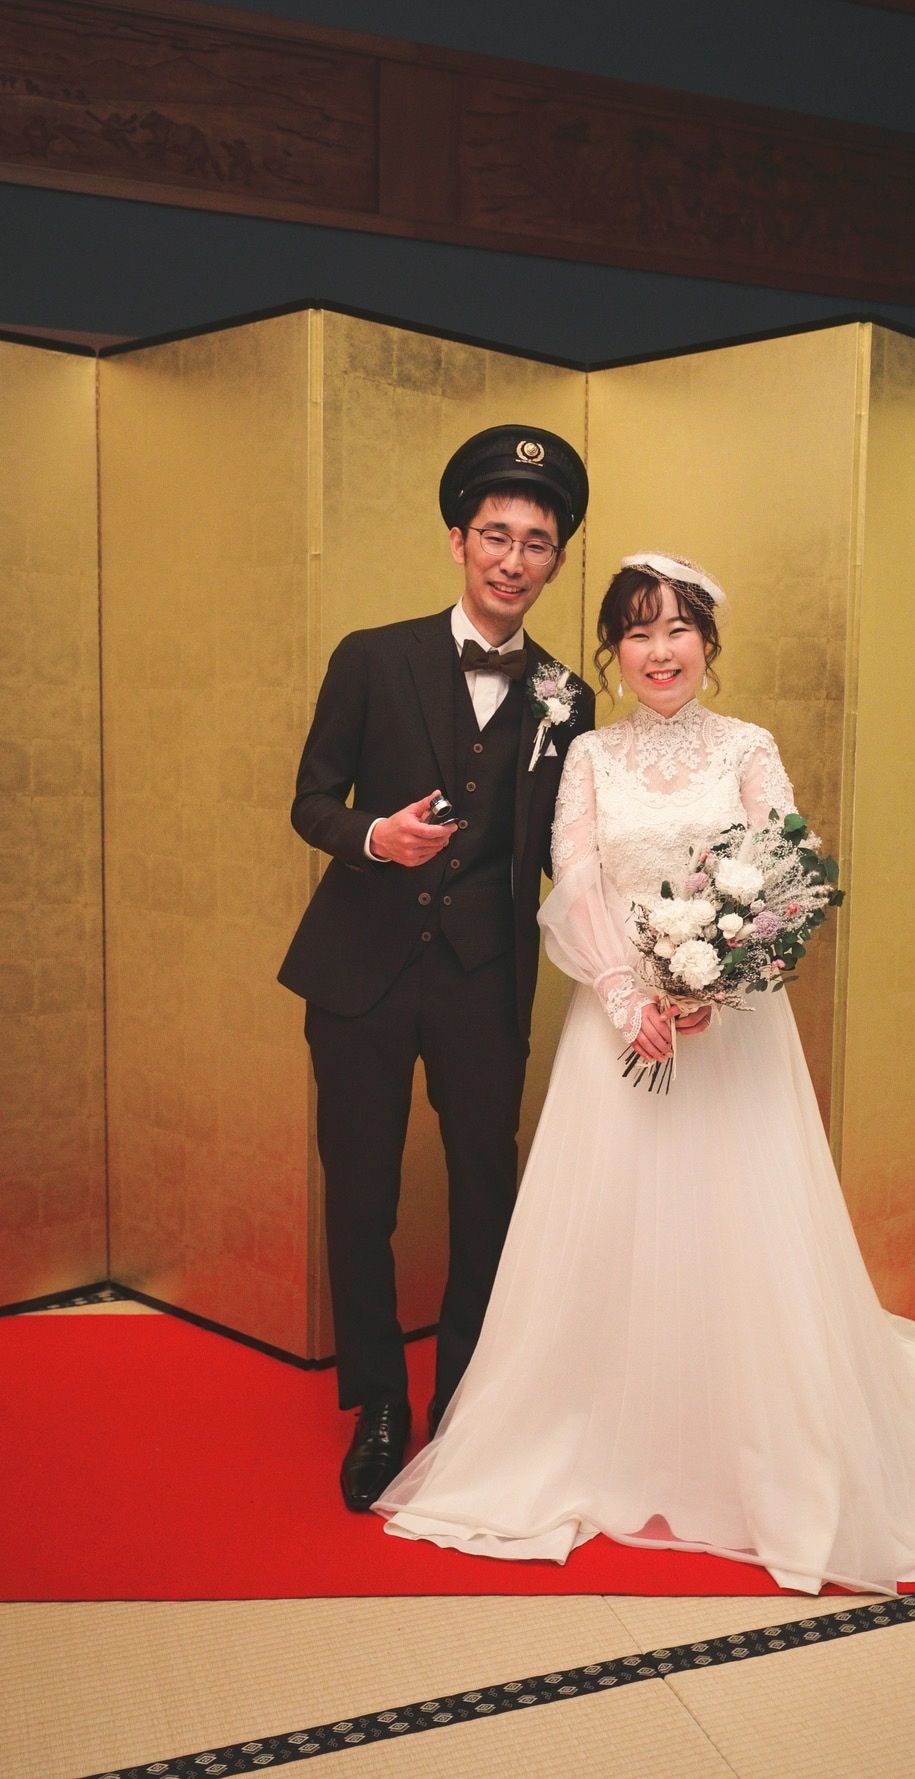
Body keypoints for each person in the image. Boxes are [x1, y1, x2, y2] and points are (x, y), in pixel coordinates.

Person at [372, 552, 915, 1594]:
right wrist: (628, 993)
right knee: (612, 1225)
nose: (659, 650)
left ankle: (759, 1445)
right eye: (637, 631)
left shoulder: (748, 747)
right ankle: (599, 1432)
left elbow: (787, 877)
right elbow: (576, 878)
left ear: (707, 643)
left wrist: (721, 979)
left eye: (677, 629)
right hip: (621, 1029)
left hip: (732, 1033)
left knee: (736, 1226)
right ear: (612, 650)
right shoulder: (588, 752)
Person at [278, 425, 595, 1511]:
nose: (513, 559)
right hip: (358, 970)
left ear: (558, 560)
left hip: (482, 977)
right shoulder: (372, 655)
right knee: (360, 1192)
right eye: (495, 535)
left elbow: (567, 850)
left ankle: (466, 1397)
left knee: (483, 1192)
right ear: (458, 539)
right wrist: (375, 836)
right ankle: (378, 1401)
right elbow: (310, 800)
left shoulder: (567, 697)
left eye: (536, 543)